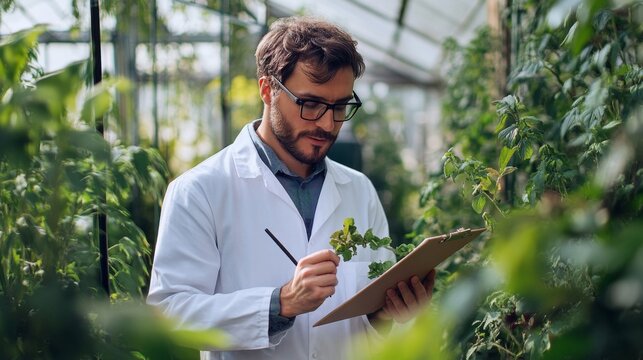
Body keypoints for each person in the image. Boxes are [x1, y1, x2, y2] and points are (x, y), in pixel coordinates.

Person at [147, 16, 436, 360]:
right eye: (310, 104)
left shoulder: (359, 190)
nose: (328, 124)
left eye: (340, 107)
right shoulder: (200, 190)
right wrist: (281, 303)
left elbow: (373, 328)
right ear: (268, 90)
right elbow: (169, 312)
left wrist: (387, 315)